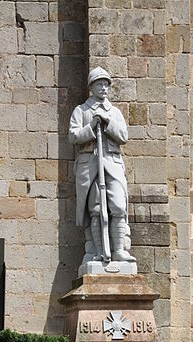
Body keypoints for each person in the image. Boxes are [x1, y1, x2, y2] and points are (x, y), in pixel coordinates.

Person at [69, 67, 135, 265]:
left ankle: (118, 251)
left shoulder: (114, 112)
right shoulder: (81, 111)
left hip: (112, 163)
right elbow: (73, 136)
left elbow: (123, 136)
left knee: (118, 206)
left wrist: (107, 123)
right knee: (96, 209)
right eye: (100, 84)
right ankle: (99, 251)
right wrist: (91, 127)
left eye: (106, 84)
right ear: (92, 87)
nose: (104, 88)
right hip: (90, 164)